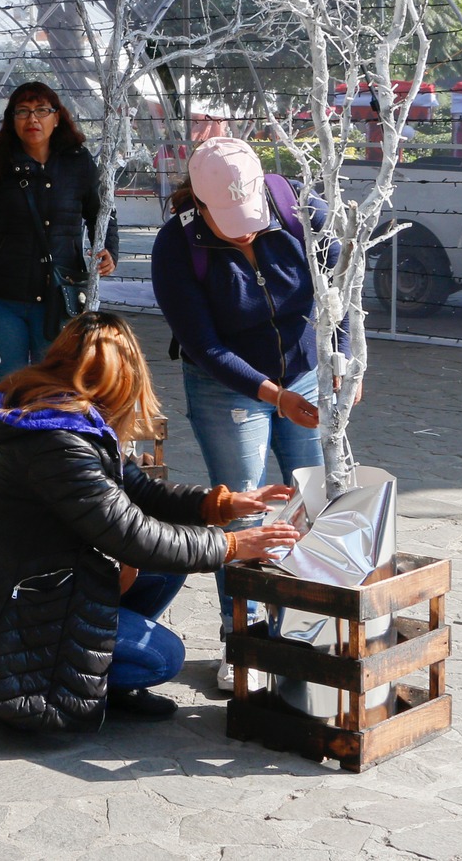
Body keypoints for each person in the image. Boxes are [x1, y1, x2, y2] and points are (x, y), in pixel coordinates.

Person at [0, 312, 300, 731]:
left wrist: (224, 504)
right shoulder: (57, 443)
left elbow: (142, 492)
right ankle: (62, 683)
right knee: (164, 658)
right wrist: (233, 546)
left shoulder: (65, 418)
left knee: (165, 568)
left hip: (44, 587)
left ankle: (97, 668)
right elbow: (133, 536)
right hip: (18, 622)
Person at [151, 137, 340, 691]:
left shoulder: (301, 211)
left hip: (303, 373)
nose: (247, 230)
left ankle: (306, 627)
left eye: (251, 215)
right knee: (243, 511)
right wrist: (272, 395)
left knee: (314, 501)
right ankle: (246, 638)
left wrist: (341, 358)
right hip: (227, 386)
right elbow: (204, 347)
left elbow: (336, 295)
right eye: (231, 221)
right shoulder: (177, 245)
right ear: (202, 205)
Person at [0, 81, 118, 381]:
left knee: (56, 383)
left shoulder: (78, 162)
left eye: (41, 110)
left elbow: (101, 212)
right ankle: (12, 430)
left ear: (57, 117)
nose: (32, 119)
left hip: (59, 293)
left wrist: (108, 250)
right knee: (8, 385)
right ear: (11, 119)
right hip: (3, 297)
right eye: (22, 112)